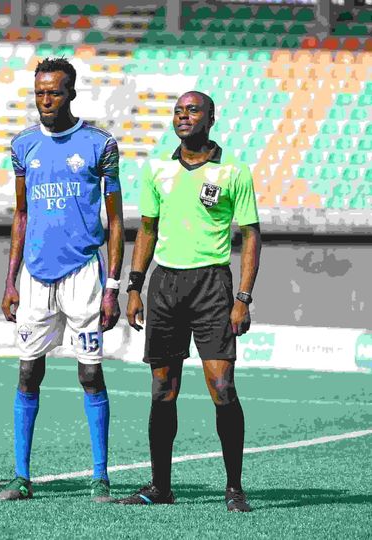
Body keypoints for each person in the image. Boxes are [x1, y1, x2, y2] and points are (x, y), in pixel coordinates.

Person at [117, 91, 261, 512]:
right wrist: (134, 286)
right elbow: (146, 228)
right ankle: (161, 487)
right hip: (165, 285)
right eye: (178, 111)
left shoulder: (233, 171)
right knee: (163, 389)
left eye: (192, 110)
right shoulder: (157, 169)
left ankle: (234, 488)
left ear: (211, 118)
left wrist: (243, 297)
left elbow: (251, 234)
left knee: (221, 386)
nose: (183, 117)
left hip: (213, 286)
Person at [0, 58, 124, 503]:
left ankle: (101, 476)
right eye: (39, 93)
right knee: (28, 372)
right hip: (34, 275)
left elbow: (116, 221)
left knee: (90, 376)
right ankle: (21, 477)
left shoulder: (100, 144)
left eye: (54, 92)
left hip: (84, 274)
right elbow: (22, 215)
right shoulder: (22, 145)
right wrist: (10, 280)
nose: (45, 100)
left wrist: (113, 286)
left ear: (71, 93)